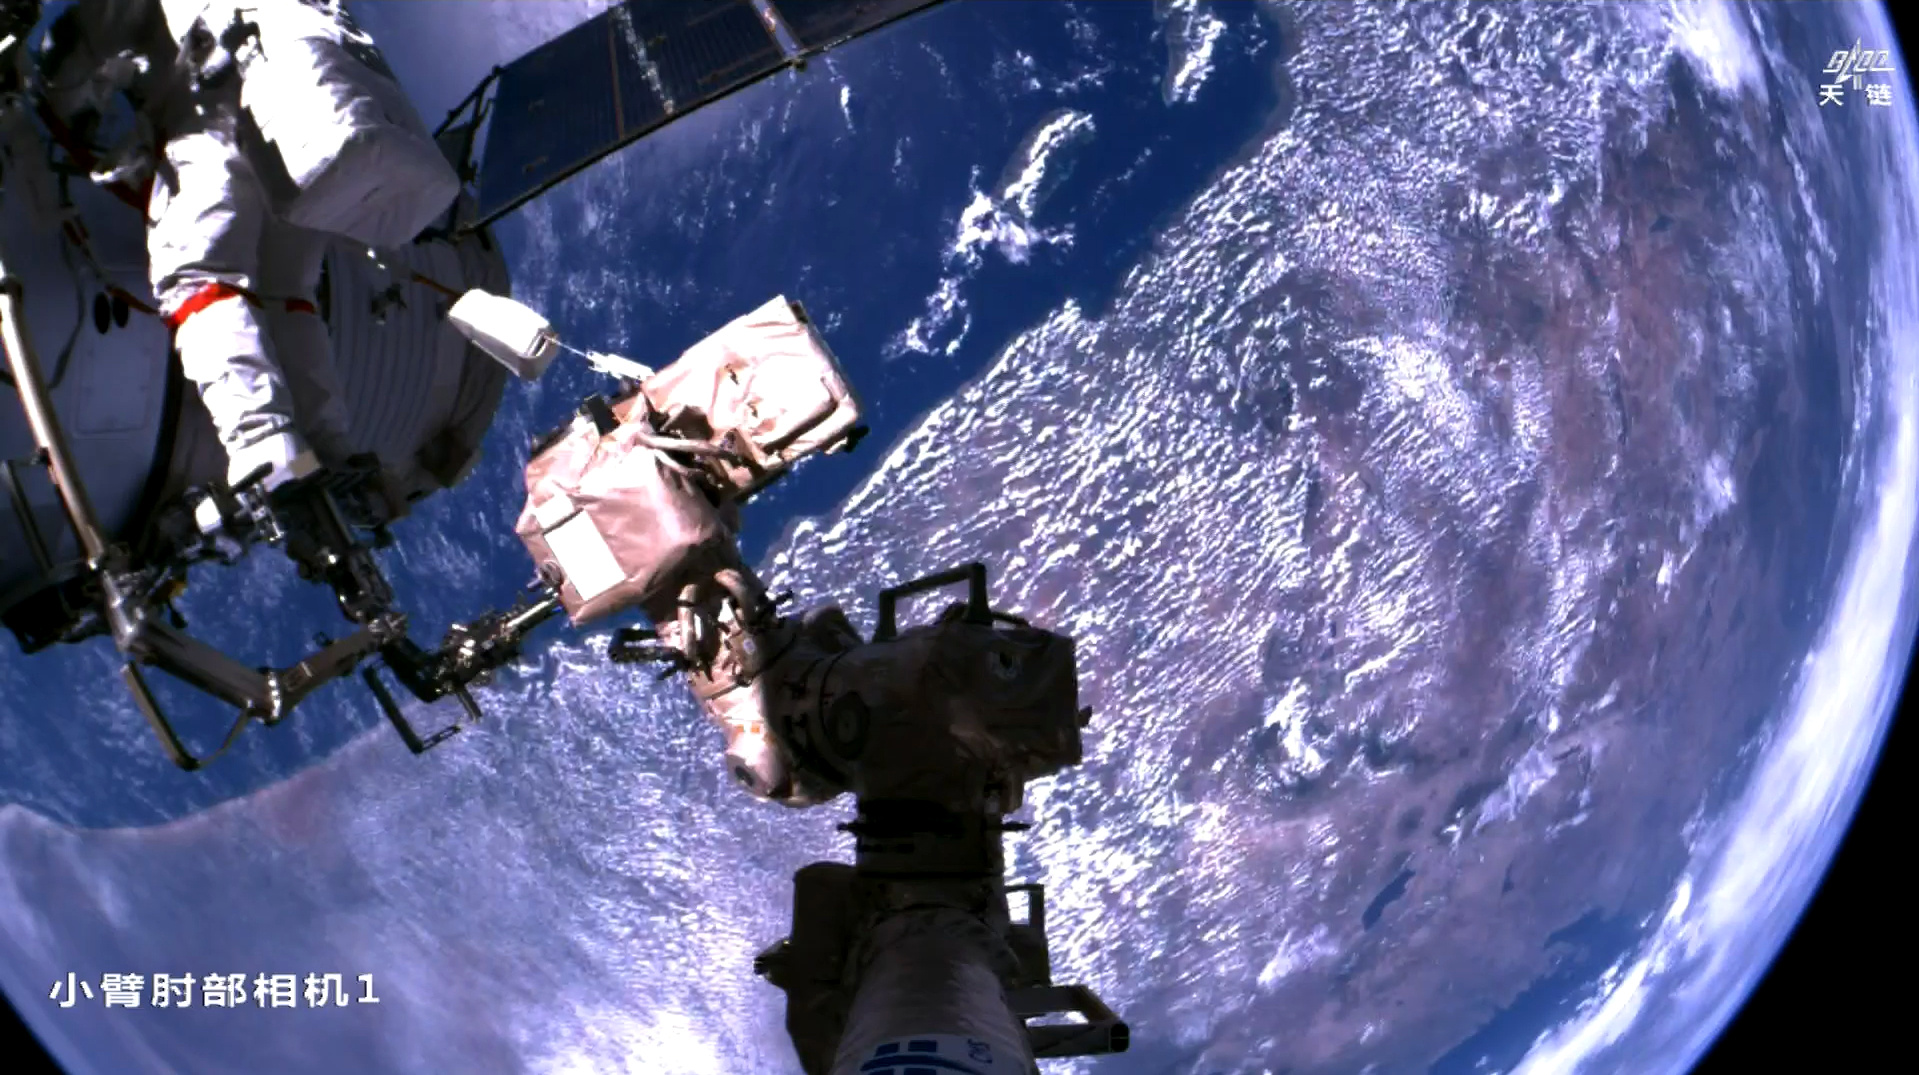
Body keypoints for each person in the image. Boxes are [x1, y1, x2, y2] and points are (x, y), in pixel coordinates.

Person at [37, 0, 457, 491]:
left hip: (216, 127)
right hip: (297, 127)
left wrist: (76, 114)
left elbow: (69, 55)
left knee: (197, 277)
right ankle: (327, 449)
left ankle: (263, 441)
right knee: (287, 293)